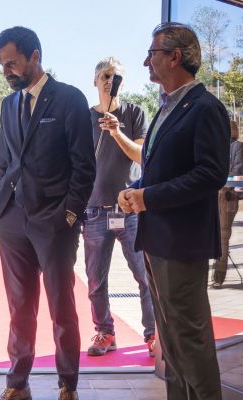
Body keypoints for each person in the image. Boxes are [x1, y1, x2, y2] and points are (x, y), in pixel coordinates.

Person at [118, 22, 229, 400]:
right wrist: (135, 191)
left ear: (174, 57)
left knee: (189, 337)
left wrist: (150, 198)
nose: (146, 61)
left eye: (152, 54)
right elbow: (160, 171)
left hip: (183, 242)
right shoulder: (166, 107)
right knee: (171, 339)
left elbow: (210, 174)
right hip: (158, 238)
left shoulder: (206, 107)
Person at [0, 26, 95, 400]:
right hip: (11, 220)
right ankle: (17, 383)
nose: (7, 72)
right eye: (3, 65)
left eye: (12, 63)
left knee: (61, 307)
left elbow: (85, 167)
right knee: (19, 307)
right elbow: (6, 162)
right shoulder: (8, 104)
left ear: (35, 56)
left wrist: (69, 216)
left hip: (55, 221)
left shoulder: (69, 99)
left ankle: (68, 384)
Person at [82, 57, 156, 357]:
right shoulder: (83, 117)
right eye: (105, 75)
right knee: (96, 279)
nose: (110, 81)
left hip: (130, 209)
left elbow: (142, 156)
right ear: (96, 81)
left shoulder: (135, 113)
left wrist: (116, 131)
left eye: (116, 77)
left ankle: (152, 334)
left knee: (143, 274)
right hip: (93, 210)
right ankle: (105, 332)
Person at [212, 120, 243, 288]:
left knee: (223, 237)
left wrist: (219, 182)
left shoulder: (238, 146)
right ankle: (212, 275)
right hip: (213, 195)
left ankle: (218, 277)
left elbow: (238, 170)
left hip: (227, 196)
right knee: (213, 236)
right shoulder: (215, 146)